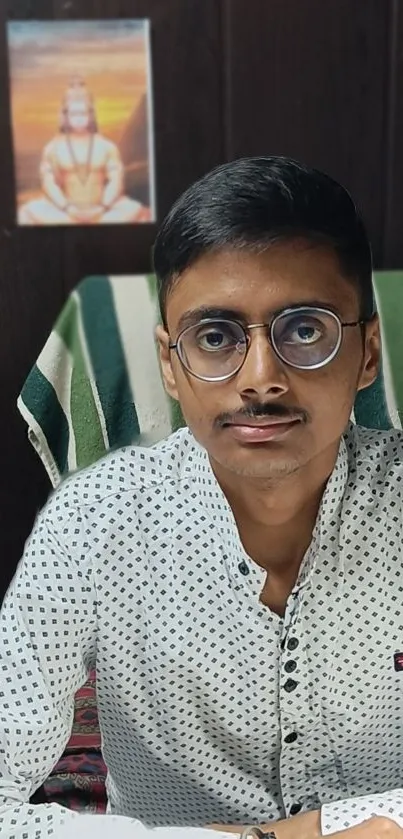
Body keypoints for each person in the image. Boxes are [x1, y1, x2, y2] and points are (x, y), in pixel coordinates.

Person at [2, 156, 403, 839]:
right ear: (170, 362)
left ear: (366, 352)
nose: (260, 378)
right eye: (214, 336)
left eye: (303, 329)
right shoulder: (90, 523)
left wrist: (293, 833)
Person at [18, 76, 150, 225]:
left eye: (83, 114)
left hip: (103, 210)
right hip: (65, 212)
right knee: (25, 214)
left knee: (140, 213)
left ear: (91, 115)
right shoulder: (53, 148)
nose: (79, 119)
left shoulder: (106, 146)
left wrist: (103, 206)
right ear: (65, 116)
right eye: (74, 114)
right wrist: (67, 207)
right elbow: (49, 183)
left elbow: (116, 180)